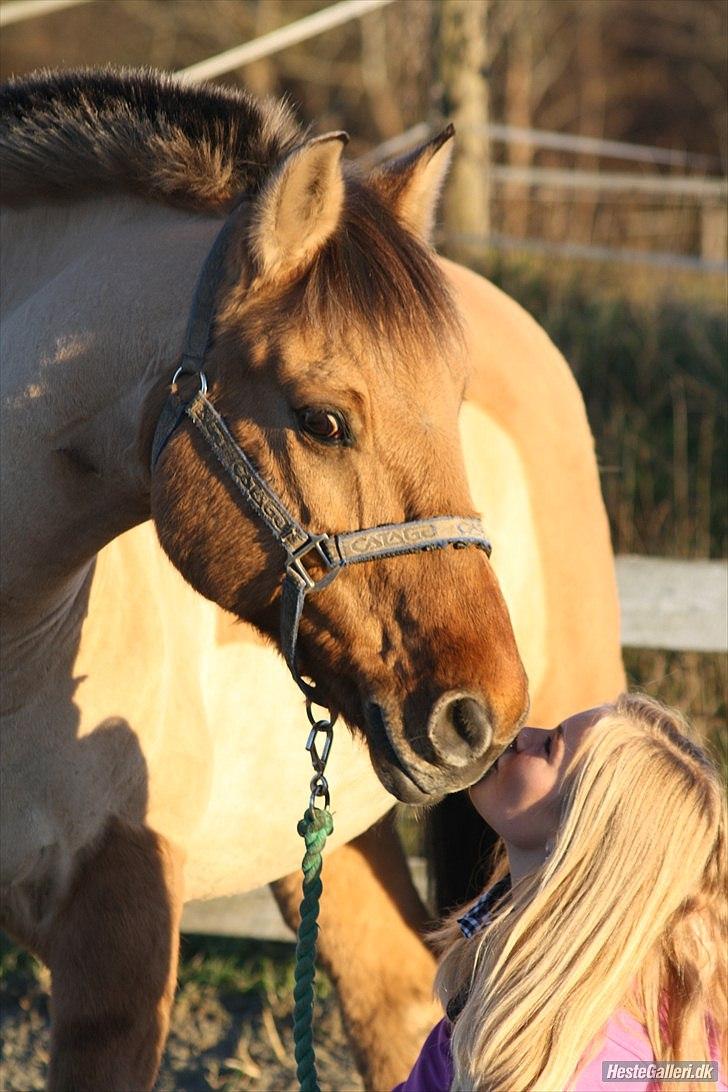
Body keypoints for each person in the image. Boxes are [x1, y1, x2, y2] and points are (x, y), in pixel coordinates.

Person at [395, 693, 727, 1092]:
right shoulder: (527, 984)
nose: (519, 735)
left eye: (550, 745)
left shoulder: (588, 1061)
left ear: (578, 838)